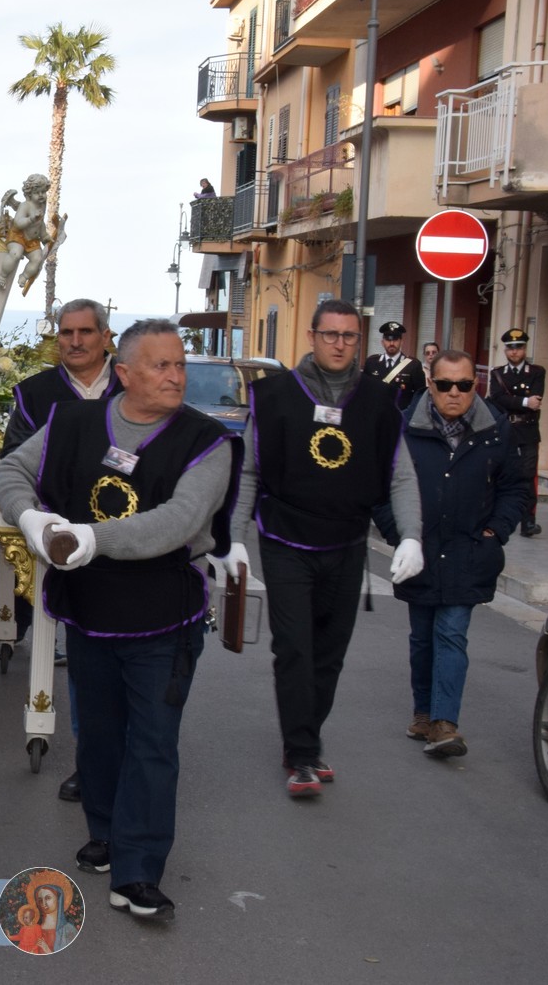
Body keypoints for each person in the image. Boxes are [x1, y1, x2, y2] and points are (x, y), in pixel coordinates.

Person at [0, 319, 240, 922]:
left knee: (152, 743)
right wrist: (32, 522)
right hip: (91, 613)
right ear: (124, 373)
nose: (176, 376)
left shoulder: (208, 441)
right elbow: (9, 475)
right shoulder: (72, 423)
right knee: (99, 738)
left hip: (164, 617)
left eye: (180, 364)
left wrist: (90, 536)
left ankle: (138, 871)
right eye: (161, 366)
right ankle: (105, 833)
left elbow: (177, 522)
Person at [224, 298, 422, 798]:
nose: (339, 344)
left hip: (348, 542)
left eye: (349, 336)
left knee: (330, 652)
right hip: (285, 540)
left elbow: (401, 474)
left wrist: (412, 535)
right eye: (330, 334)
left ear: (360, 340)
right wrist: (234, 538)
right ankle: (303, 752)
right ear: (312, 336)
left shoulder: (380, 402)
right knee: (294, 645)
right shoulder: (272, 398)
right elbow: (248, 470)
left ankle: (303, 738)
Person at [378, 350, 531, 758]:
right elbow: (379, 486)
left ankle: (445, 723)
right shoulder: (405, 428)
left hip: (469, 552)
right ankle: (424, 712)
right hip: (420, 552)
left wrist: (494, 532)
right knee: (422, 638)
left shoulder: (496, 431)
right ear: (430, 384)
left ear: (474, 386)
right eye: (444, 384)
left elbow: (516, 488)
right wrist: (399, 535)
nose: (454, 393)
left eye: (464, 385)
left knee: (451, 634)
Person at [1, 298, 124, 799]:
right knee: (86, 654)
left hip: (129, 532)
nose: (75, 341)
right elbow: (13, 456)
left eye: (85, 332)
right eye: (66, 333)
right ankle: (91, 763)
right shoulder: (35, 392)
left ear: (105, 337)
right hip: (66, 537)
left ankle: (131, 756)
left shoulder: (131, 383)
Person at [487, 327, 547, 538]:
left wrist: (519, 402)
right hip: (506, 429)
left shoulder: (537, 372)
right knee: (500, 472)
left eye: (519, 347)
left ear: (524, 349)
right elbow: (497, 399)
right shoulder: (497, 373)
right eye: (510, 348)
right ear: (505, 350)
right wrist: (523, 401)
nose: (514, 352)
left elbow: (536, 401)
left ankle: (528, 521)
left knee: (528, 476)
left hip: (528, 430)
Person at [0, 174, 55, 295]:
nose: (41, 195)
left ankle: (24, 275)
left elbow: (41, 223)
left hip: (32, 239)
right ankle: (3, 275)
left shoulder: (42, 205)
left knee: (37, 259)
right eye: (37, 192)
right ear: (29, 194)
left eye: (43, 192)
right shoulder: (25, 206)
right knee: (15, 254)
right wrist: (30, 220)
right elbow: (18, 223)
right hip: (18, 236)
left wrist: (44, 236)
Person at [362, 320, 426, 411]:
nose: (391, 343)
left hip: (400, 416)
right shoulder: (371, 363)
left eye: (395, 339)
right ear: (382, 342)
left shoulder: (413, 365)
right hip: (376, 415)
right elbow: (364, 391)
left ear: (401, 342)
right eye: (388, 339)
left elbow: (420, 396)